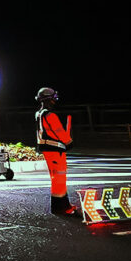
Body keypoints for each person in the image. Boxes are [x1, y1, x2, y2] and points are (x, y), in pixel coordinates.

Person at [35, 87, 75, 215]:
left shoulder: (39, 113)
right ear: (49, 100)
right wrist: (69, 142)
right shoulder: (50, 115)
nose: (55, 101)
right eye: (53, 98)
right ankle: (61, 208)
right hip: (55, 149)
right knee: (59, 178)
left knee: (57, 178)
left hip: (48, 149)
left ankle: (62, 205)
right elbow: (59, 132)